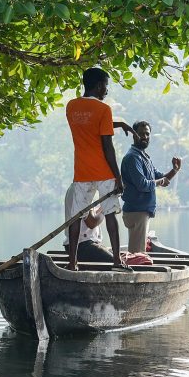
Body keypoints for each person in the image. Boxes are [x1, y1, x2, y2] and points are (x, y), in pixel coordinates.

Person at [65, 67, 136, 271]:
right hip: (104, 172)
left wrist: (119, 123)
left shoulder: (71, 107)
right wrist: (118, 177)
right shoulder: (104, 110)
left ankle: (72, 263)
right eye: (105, 85)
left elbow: (88, 123)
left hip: (82, 171)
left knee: (75, 217)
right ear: (98, 86)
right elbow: (107, 146)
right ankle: (116, 261)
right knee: (111, 214)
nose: (106, 90)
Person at [121, 120, 182, 253]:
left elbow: (160, 178)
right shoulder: (133, 157)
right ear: (134, 135)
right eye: (141, 134)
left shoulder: (144, 157)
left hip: (141, 211)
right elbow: (143, 185)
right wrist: (160, 181)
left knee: (137, 252)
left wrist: (174, 170)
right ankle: (135, 273)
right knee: (137, 254)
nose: (145, 137)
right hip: (136, 212)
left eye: (147, 134)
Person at [62, 183, 114, 263]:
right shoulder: (83, 191)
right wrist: (106, 210)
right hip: (83, 245)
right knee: (114, 261)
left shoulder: (76, 188)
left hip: (80, 244)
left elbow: (90, 215)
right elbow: (91, 223)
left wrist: (104, 207)